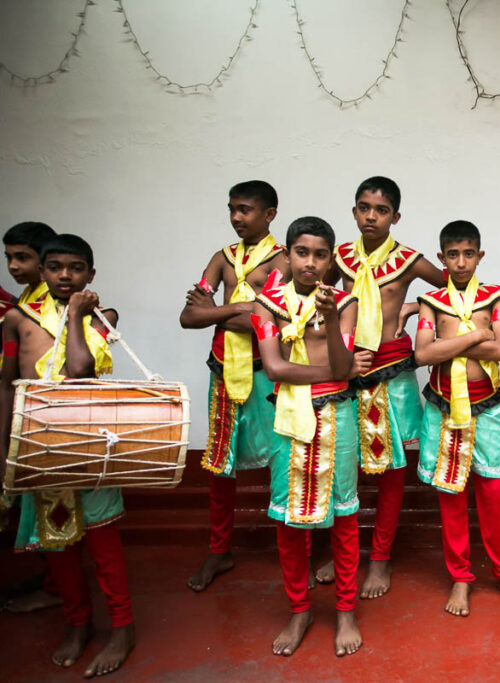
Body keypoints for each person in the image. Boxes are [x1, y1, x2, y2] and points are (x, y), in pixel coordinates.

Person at [0, 234, 134, 677]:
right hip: (41, 445)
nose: (64, 275)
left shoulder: (102, 317)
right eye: (54, 267)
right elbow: (5, 385)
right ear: (42, 271)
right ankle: (78, 624)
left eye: (75, 268)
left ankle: (121, 627)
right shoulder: (18, 320)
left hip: (92, 446)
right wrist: (5, 450)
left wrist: (76, 313)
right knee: (57, 543)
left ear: (90, 276)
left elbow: (79, 371)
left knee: (103, 543)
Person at [322, 176, 446, 598]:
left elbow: (454, 284)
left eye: (380, 210)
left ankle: (380, 557)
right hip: (348, 369)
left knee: (392, 470)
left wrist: (415, 304)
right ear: (354, 211)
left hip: (393, 371)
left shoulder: (409, 261)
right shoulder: (337, 258)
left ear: (395, 216)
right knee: (344, 464)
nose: (370, 216)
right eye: (363, 208)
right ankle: (344, 551)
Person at [253, 216, 369, 657]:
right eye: (302, 252)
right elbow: (275, 369)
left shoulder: (346, 301)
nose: (311, 262)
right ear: (287, 255)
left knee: (343, 517)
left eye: (321, 254)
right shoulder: (267, 306)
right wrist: (334, 372)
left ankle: (345, 611)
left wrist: (332, 318)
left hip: (338, 419)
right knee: (287, 521)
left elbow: (342, 367)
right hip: (289, 420)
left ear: (330, 259)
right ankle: (299, 609)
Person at [414, 220, 500, 617]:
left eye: (468, 254)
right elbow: (423, 356)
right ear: (441, 258)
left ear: (480, 256)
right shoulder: (431, 301)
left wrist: (453, 344)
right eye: (452, 254)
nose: (461, 262)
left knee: (494, 494)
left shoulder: (496, 298)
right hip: (443, 408)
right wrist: (475, 336)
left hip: (486, 408)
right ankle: (461, 578)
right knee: (451, 495)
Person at [179, 180, 290, 592]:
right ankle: (219, 548)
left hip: (268, 370)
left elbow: (273, 322)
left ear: (269, 215)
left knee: (284, 455)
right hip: (223, 368)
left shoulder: (283, 260)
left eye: (245, 209)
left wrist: (218, 312)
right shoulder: (222, 258)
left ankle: (291, 544)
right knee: (219, 464)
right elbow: (188, 317)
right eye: (232, 209)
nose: (236, 217)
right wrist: (244, 308)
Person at [1, 221, 62, 614]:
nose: (12, 266)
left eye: (21, 257)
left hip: (50, 424)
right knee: (34, 507)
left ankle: (59, 585)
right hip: (26, 418)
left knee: (51, 507)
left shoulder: (55, 307)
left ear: (44, 264)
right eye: (8, 257)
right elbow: (9, 372)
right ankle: (55, 577)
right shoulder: (18, 309)